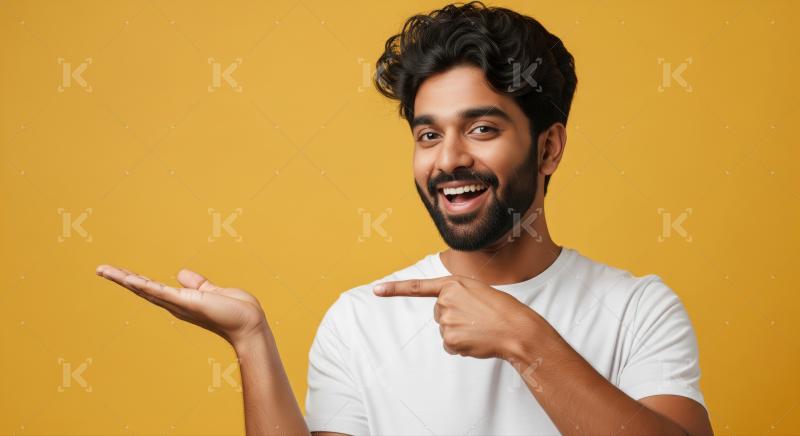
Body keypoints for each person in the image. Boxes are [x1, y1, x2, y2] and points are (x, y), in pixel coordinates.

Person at [96, 2, 713, 434]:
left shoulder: (637, 310)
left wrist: (526, 342)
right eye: (427, 134)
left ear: (549, 147)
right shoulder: (362, 320)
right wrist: (251, 341)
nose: (450, 160)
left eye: (482, 128)